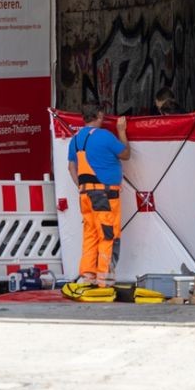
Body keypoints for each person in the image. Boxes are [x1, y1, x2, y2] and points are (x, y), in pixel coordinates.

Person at [66, 103, 130, 287]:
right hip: (105, 195)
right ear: (99, 115)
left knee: (90, 234)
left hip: (85, 195)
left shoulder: (76, 139)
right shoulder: (105, 137)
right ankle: (104, 279)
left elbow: (71, 167)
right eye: (102, 116)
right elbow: (126, 154)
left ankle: (87, 277)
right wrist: (122, 132)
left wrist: (82, 187)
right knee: (108, 234)